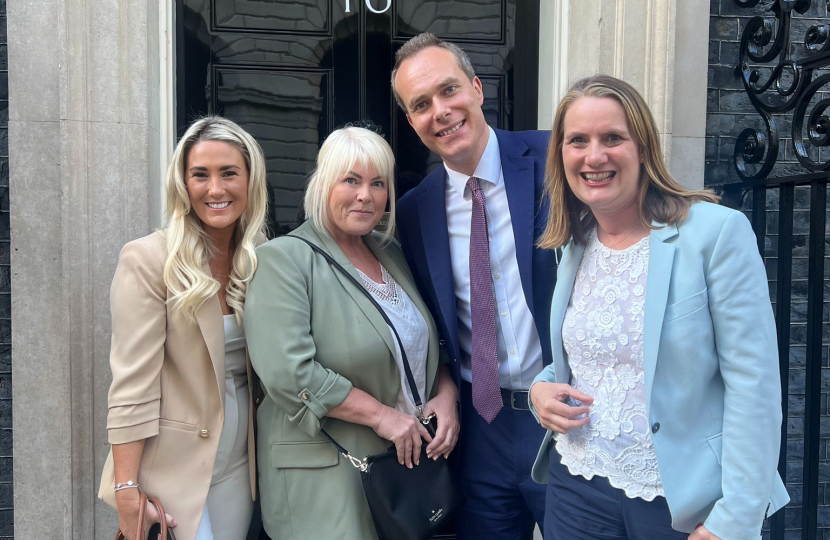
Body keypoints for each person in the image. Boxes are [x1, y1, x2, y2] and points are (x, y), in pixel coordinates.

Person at [528, 74, 790, 540]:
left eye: (613, 138)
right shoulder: (573, 242)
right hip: (576, 487)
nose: (595, 156)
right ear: (561, 155)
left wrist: (734, 521)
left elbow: (756, 388)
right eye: (578, 141)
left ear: (643, 147)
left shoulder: (715, 234)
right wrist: (541, 390)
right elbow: (595, 359)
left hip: (678, 501)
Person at [244, 125, 459, 540]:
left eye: (378, 183)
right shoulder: (282, 260)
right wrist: (383, 417)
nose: (366, 195)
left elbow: (427, 342)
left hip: (402, 469)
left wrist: (447, 396)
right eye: (351, 180)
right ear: (324, 184)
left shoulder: (390, 251)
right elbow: (290, 373)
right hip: (328, 473)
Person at [392, 32, 556, 540]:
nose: (439, 111)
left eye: (448, 91)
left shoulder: (556, 158)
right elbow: (427, 321)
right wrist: (443, 385)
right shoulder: (415, 211)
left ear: (478, 89)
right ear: (412, 122)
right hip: (478, 430)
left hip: (566, 418)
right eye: (421, 105)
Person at [98, 116, 268, 540]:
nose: (215, 189)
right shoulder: (149, 260)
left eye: (229, 173)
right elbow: (131, 386)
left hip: (240, 469)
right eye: (200, 175)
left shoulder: (263, 257)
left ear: (251, 180)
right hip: (173, 471)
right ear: (183, 183)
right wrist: (127, 491)